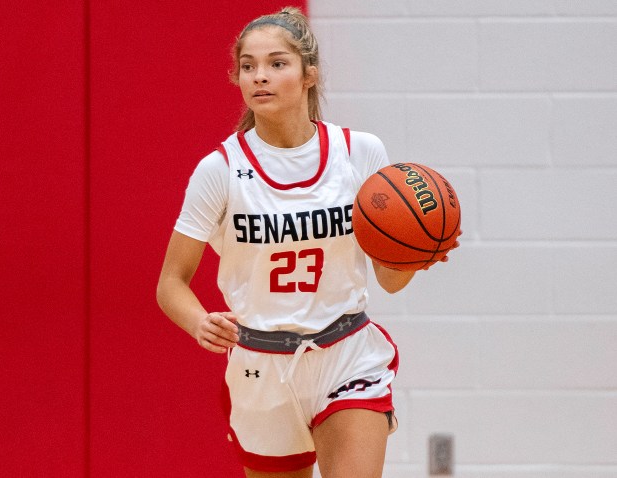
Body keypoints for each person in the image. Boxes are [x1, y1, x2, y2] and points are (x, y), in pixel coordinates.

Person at [157, 7, 453, 478]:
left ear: (309, 73)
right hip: (261, 364)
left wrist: (418, 254)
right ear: (236, 77)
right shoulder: (219, 170)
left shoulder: (360, 152)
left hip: (346, 355)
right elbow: (171, 283)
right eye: (248, 66)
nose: (260, 77)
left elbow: (389, 282)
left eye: (277, 63)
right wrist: (199, 321)